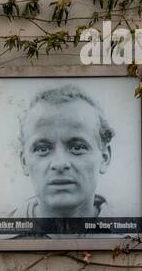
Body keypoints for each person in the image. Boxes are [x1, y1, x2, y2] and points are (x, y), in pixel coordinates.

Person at [9, 84, 114, 227]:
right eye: (42, 149)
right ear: (24, 162)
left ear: (105, 158)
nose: (59, 163)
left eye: (77, 147)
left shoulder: (133, 235)